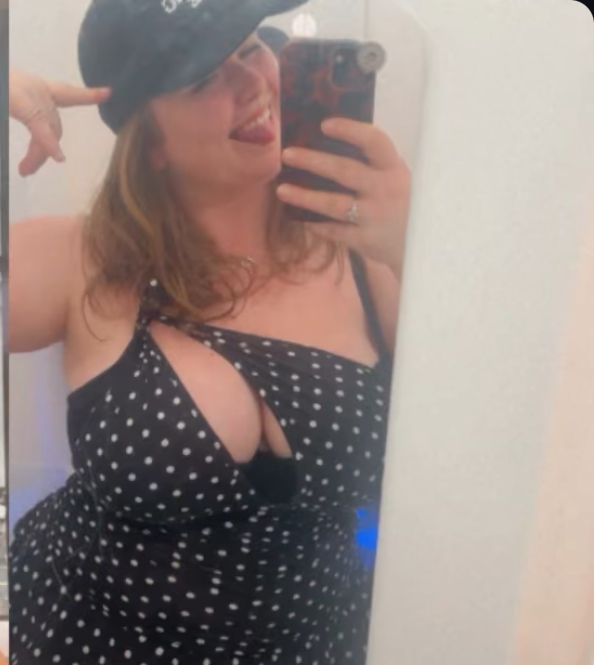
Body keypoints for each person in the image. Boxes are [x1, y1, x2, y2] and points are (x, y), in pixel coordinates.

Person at [8, 0, 410, 662]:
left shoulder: (371, 257)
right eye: (203, 78)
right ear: (152, 144)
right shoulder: (82, 259)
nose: (253, 82)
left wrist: (423, 248)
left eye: (252, 47)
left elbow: (491, 447)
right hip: (90, 637)